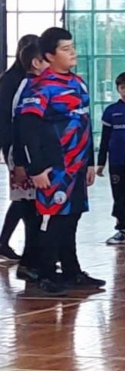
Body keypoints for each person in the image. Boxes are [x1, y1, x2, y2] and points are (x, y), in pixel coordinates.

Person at [18, 27, 105, 295]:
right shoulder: (40, 86)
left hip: (77, 166)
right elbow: (28, 129)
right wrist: (36, 168)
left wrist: (89, 161)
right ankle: (45, 273)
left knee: (72, 216)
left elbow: (85, 122)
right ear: (49, 56)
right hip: (54, 167)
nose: (73, 53)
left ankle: (72, 270)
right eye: (66, 49)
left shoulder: (78, 82)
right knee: (54, 219)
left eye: (73, 47)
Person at [8, 41, 48, 281]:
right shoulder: (29, 88)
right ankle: (28, 263)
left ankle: (35, 261)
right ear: (36, 63)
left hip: (31, 157)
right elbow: (21, 129)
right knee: (31, 214)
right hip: (25, 159)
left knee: (37, 213)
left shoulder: (37, 85)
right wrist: (22, 163)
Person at [0, 34, 39, 262]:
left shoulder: (30, 80)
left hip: (27, 145)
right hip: (16, 146)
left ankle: (6, 243)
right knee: (24, 197)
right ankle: (29, 254)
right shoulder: (13, 80)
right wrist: (10, 149)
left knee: (25, 198)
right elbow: (9, 118)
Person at [97, 72, 125, 245]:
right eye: (123, 87)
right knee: (119, 198)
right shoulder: (111, 111)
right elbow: (105, 138)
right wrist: (101, 163)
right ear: (117, 89)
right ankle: (121, 229)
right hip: (117, 162)